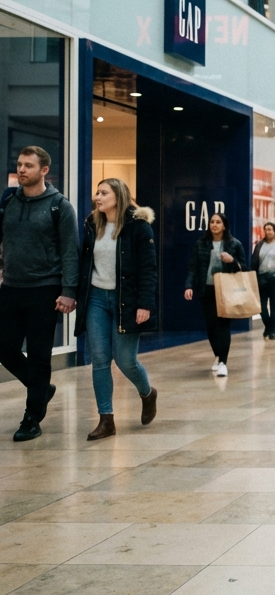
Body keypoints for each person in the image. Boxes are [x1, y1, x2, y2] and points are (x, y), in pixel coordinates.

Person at [0, 146, 79, 442]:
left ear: (44, 170)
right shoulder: (9, 200)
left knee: (39, 356)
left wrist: (69, 291)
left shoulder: (60, 206)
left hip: (45, 290)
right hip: (10, 287)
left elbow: (70, 253)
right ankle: (42, 388)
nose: (21, 170)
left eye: (28, 166)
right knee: (4, 348)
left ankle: (32, 417)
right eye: (19, 164)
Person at [75, 178, 158, 440]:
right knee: (99, 360)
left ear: (118, 196)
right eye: (96, 193)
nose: (97, 197)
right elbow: (85, 263)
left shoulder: (139, 227)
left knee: (125, 360)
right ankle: (106, 419)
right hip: (97, 299)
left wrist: (145, 304)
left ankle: (147, 393)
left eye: (103, 193)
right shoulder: (92, 224)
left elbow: (148, 269)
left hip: (127, 301)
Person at [184, 211, 248, 378]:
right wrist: (188, 286)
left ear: (224, 225)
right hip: (206, 289)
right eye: (212, 221)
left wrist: (232, 261)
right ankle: (218, 355)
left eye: (218, 222)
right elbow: (193, 267)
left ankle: (223, 363)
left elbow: (245, 268)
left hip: (227, 290)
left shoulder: (234, 244)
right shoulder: (201, 243)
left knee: (223, 326)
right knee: (211, 327)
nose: (214, 225)